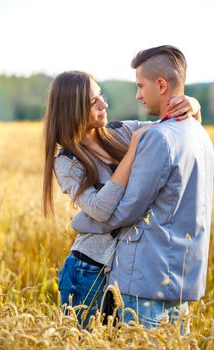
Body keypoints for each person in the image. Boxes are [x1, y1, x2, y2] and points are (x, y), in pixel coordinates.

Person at [43, 69, 202, 325]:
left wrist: (193, 105)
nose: (104, 104)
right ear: (72, 109)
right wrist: (132, 154)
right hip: (88, 271)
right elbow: (100, 209)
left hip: (131, 270)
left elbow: (172, 129)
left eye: (101, 95)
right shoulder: (66, 162)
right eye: (93, 101)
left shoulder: (123, 131)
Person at [72, 46, 214, 331]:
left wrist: (82, 221)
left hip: (146, 280)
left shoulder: (158, 138)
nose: (138, 95)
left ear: (161, 84)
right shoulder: (199, 133)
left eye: (140, 86)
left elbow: (127, 209)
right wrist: (194, 105)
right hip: (183, 278)